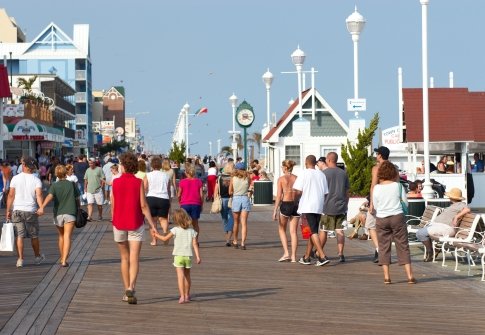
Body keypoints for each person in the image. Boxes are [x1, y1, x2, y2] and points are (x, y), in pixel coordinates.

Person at [111, 152, 157, 304]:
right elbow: (143, 206)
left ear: (123, 167)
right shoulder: (138, 182)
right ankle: (131, 286)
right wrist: (152, 225)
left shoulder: (115, 182)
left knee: (124, 258)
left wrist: (113, 219)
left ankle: (126, 291)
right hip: (135, 222)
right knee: (134, 257)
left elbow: (113, 204)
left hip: (118, 223)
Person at [372, 160, 415, 284]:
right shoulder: (398, 186)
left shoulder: (377, 188)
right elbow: (405, 203)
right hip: (397, 217)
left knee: (384, 247)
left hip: (382, 218)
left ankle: (387, 277)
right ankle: (410, 276)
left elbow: (375, 205)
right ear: (393, 172)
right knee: (403, 245)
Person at [152, 208, 201, 304]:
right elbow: (195, 244)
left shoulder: (175, 230)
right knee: (187, 276)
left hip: (178, 256)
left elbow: (165, 238)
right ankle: (187, 295)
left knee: (180, 277)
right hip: (188, 256)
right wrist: (198, 256)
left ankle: (182, 296)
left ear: (176, 220)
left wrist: (156, 235)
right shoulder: (192, 231)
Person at [6, 157, 45, 268]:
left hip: (17, 210)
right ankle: (37, 257)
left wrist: (8, 210)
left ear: (24, 165)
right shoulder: (36, 179)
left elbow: (11, 195)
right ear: (32, 167)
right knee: (34, 235)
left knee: (19, 236)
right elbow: (39, 195)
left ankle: (20, 259)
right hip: (31, 211)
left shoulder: (15, 178)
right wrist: (41, 207)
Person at [39, 165, 80, 267]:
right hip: (70, 212)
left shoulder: (54, 185)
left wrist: (42, 207)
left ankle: (62, 257)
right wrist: (78, 208)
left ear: (56, 174)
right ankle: (64, 260)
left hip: (58, 214)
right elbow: (77, 198)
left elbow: (49, 196)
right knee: (67, 236)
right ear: (66, 173)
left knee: (61, 236)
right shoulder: (72, 184)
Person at [293, 155, 330, 266]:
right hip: (319, 206)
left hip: (307, 206)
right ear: (315, 163)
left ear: (306, 162)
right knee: (311, 231)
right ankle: (306, 257)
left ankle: (322, 256)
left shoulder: (304, 173)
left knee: (313, 231)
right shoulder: (321, 174)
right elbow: (326, 192)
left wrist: (295, 201)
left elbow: (298, 191)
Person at [416, 187, 470, 262]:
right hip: (440, 226)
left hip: (446, 228)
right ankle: (435, 250)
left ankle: (431, 252)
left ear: (452, 197)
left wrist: (456, 217)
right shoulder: (455, 204)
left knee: (420, 233)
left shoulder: (461, 204)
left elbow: (467, 209)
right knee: (421, 233)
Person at [319, 152, 350, 263]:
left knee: (324, 230)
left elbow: (321, 192)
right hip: (341, 206)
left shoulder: (324, 173)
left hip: (327, 206)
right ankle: (341, 253)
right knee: (340, 231)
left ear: (329, 160)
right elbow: (347, 192)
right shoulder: (343, 173)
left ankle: (319, 252)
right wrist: (346, 204)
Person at [367, 146, 393, 263]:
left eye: (377, 154)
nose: (376, 155)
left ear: (380, 155)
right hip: (391, 201)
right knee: (387, 229)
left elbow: (373, 186)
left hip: (379, 200)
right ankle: (385, 251)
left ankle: (379, 249)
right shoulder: (394, 168)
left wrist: (371, 203)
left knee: (371, 225)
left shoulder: (376, 168)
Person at [273, 159, 299, 262]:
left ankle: (286, 253)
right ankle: (293, 257)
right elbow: (300, 192)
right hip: (295, 205)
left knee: (281, 229)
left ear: (285, 168)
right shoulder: (296, 178)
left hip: (286, 204)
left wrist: (275, 210)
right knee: (293, 232)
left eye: (282, 167)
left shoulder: (281, 179)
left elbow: (279, 196)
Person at [144, 156, 171, 246]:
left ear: (152, 165)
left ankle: (154, 240)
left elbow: (144, 188)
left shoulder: (148, 175)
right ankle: (165, 233)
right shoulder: (166, 175)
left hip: (151, 198)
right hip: (163, 198)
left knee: (153, 221)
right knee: (163, 219)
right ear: (160, 165)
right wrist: (169, 200)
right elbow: (168, 189)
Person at [229, 163, 252, 249]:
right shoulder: (247, 178)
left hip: (236, 199)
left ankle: (235, 240)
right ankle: (243, 243)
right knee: (244, 223)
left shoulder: (233, 178)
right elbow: (248, 187)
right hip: (245, 199)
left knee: (236, 222)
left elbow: (230, 192)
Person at [178, 165, 203, 241]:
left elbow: (179, 194)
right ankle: (195, 241)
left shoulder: (182, 182)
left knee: (184, 223)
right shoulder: (199, 181)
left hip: (185, 204)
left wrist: (180, 202)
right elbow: (201, 195)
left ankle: (185, 240)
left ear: (186, 172)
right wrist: (201, 205)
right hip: (196, 204)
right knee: (195, 224)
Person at [214, 164, 234, 246]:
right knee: (232, 219)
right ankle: (228, 238)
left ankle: (227, 238)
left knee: (224, 219)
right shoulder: (233, 178)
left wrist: (215, 199)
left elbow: (216, 190)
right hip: (231, 200)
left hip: (221, 200)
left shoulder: (219, 178)